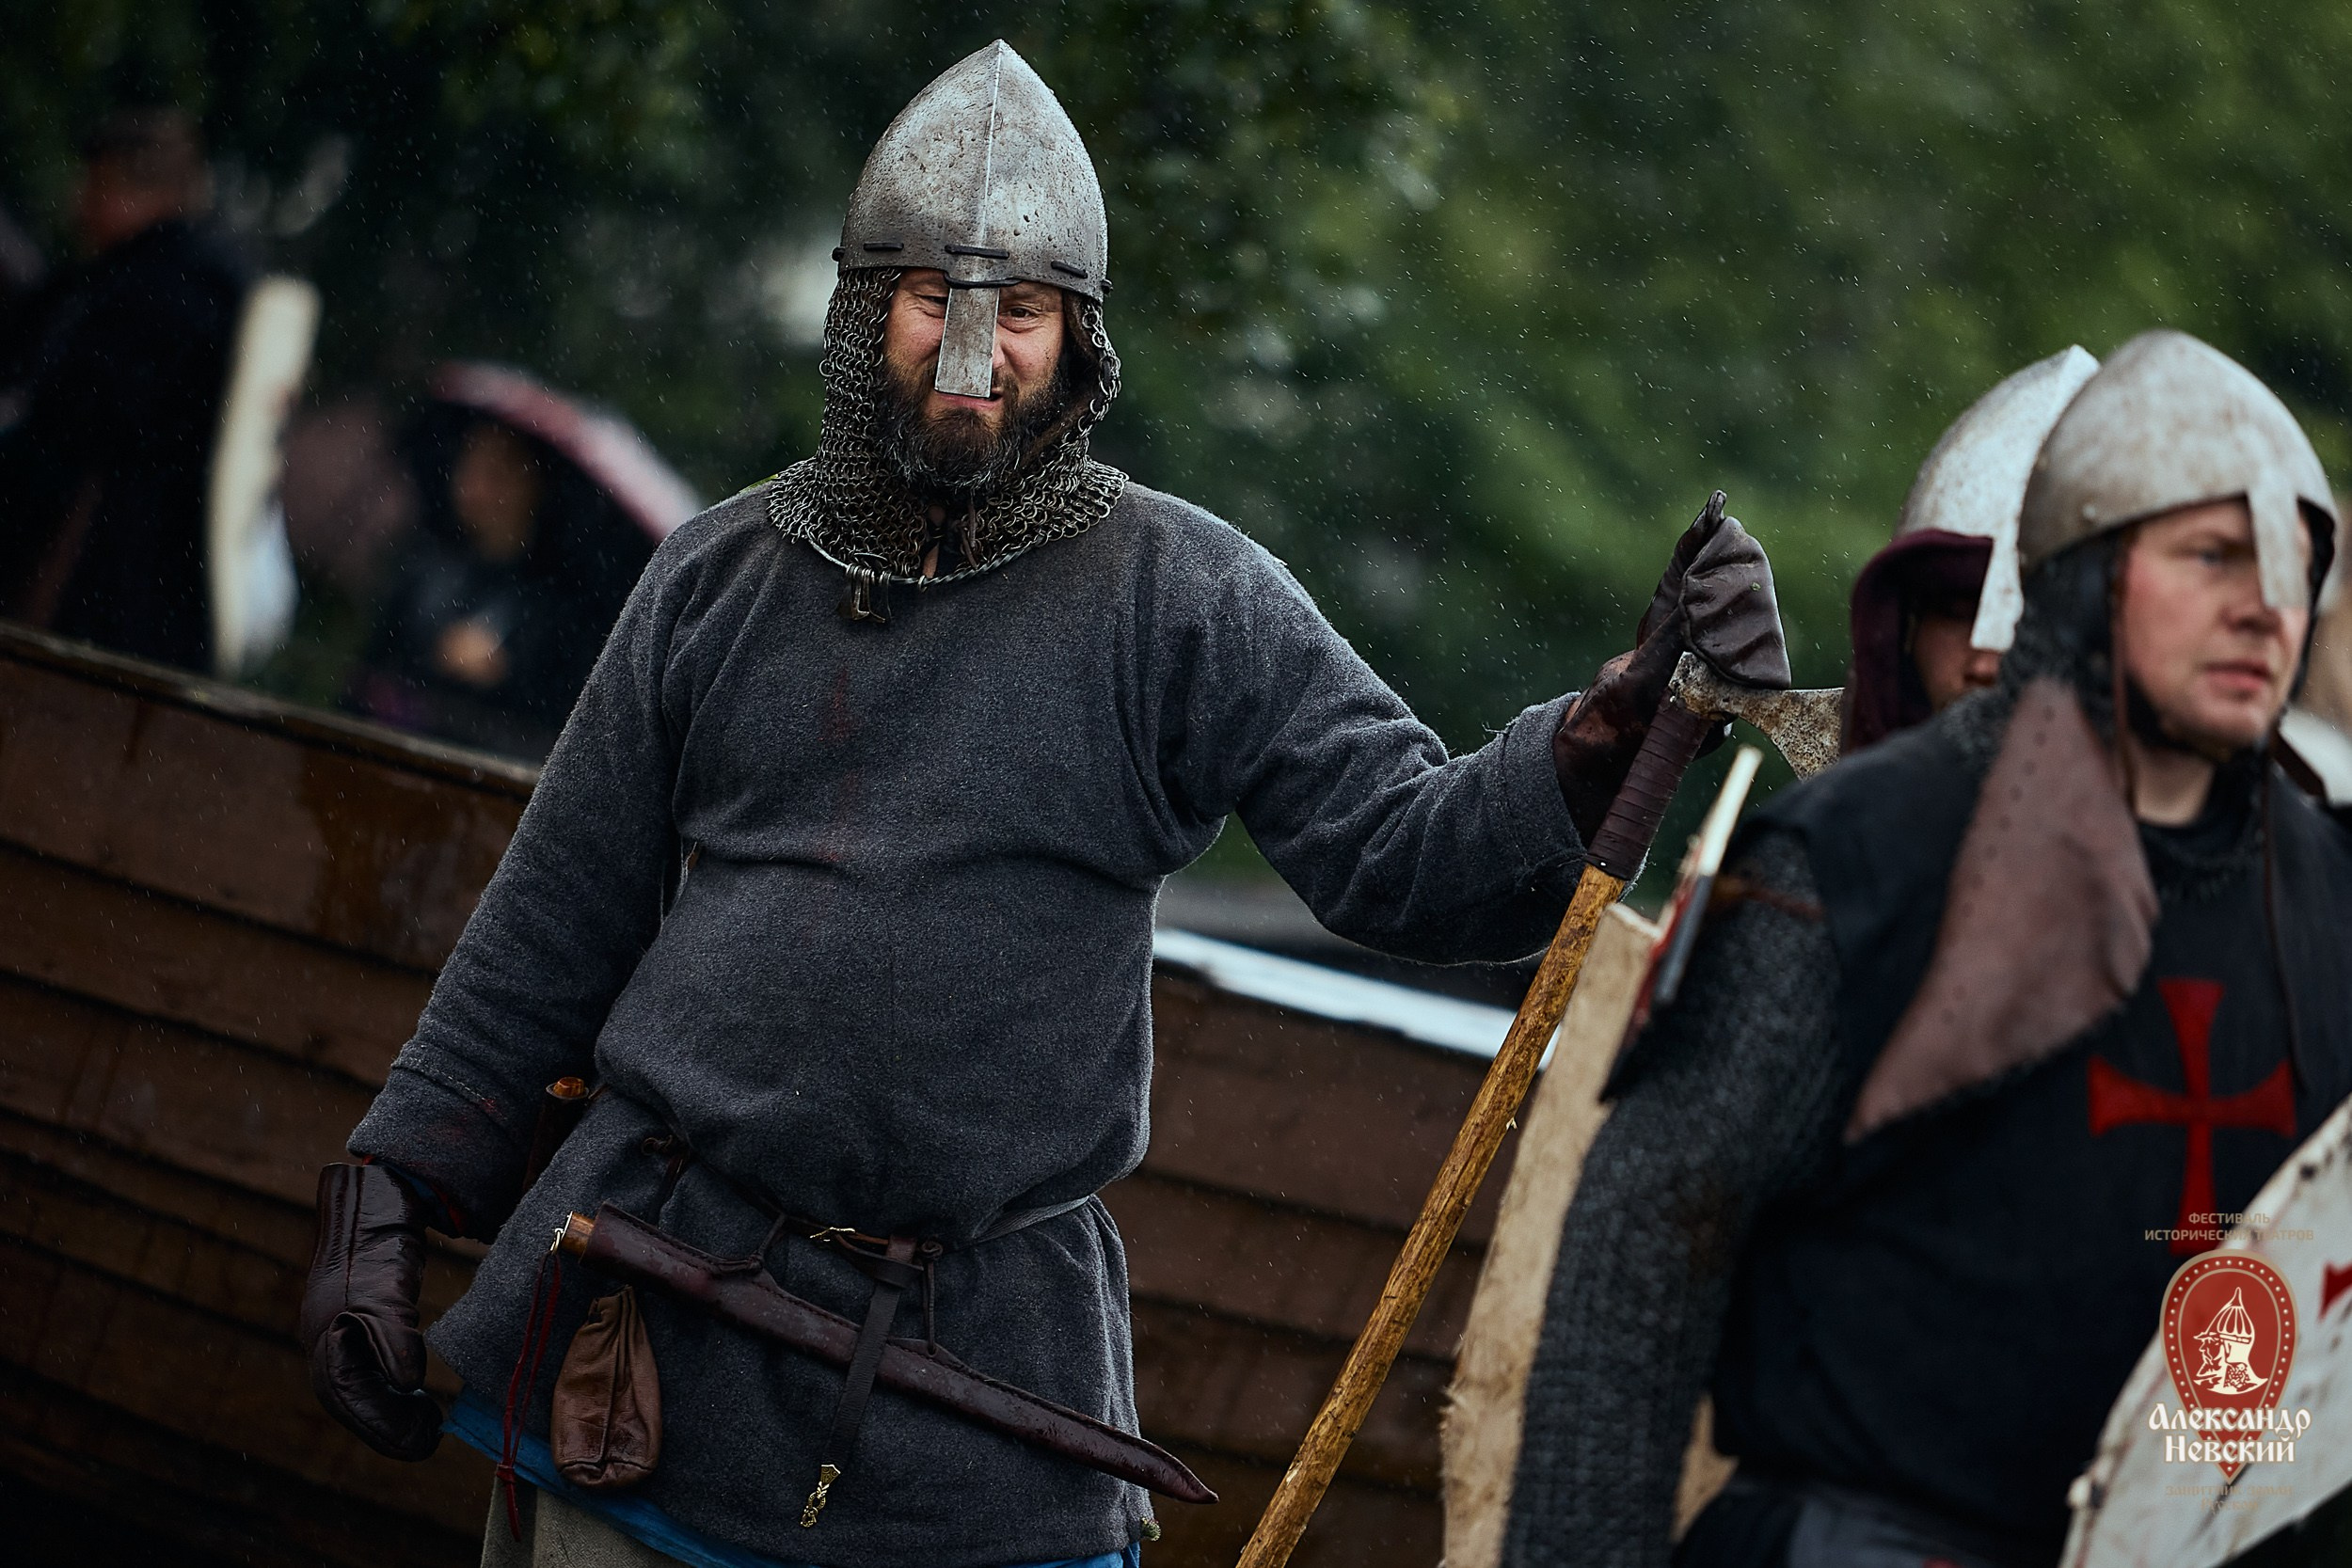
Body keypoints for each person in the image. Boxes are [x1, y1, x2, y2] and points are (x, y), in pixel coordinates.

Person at [301, 40, 1788, 1568]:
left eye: (1015, 311)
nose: (973, 351)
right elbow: (554, 921)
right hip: (655, 1337)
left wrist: (1609, 725)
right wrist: (389, 1194)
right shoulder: (719, 578)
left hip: (977, 1381)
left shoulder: (1184, 599)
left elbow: (1401, 851)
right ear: (861, 308)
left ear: (1074, 341)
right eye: (935, 300)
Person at [1503, 330, 2352, 1568]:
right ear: (2083, 574)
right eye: (2211, 554)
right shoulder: (1866, 851)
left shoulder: (2331, 894)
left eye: (2291, 565)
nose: (2258, 604)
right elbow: (1647, 1255)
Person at [0, 108, 250, 672]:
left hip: (121, 580)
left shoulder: (169, 292)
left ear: (143, 191)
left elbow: (77, 425)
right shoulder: (138, 281)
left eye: (97, 184)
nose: (79, 202)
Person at [345, 367, 685, 759]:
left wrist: (509, 673)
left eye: (497, 467)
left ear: (532, 485)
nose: (473, 480)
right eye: (470, 457)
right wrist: (431, 661)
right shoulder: (425, 570)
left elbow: (568, 719)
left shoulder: (570, 605)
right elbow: (371, 679)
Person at [1839, 348, 2096, 752]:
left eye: (2027, 622)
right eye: (1957, 616)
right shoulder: (1831, 814)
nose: (1985, 665)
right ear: (1906, 634)